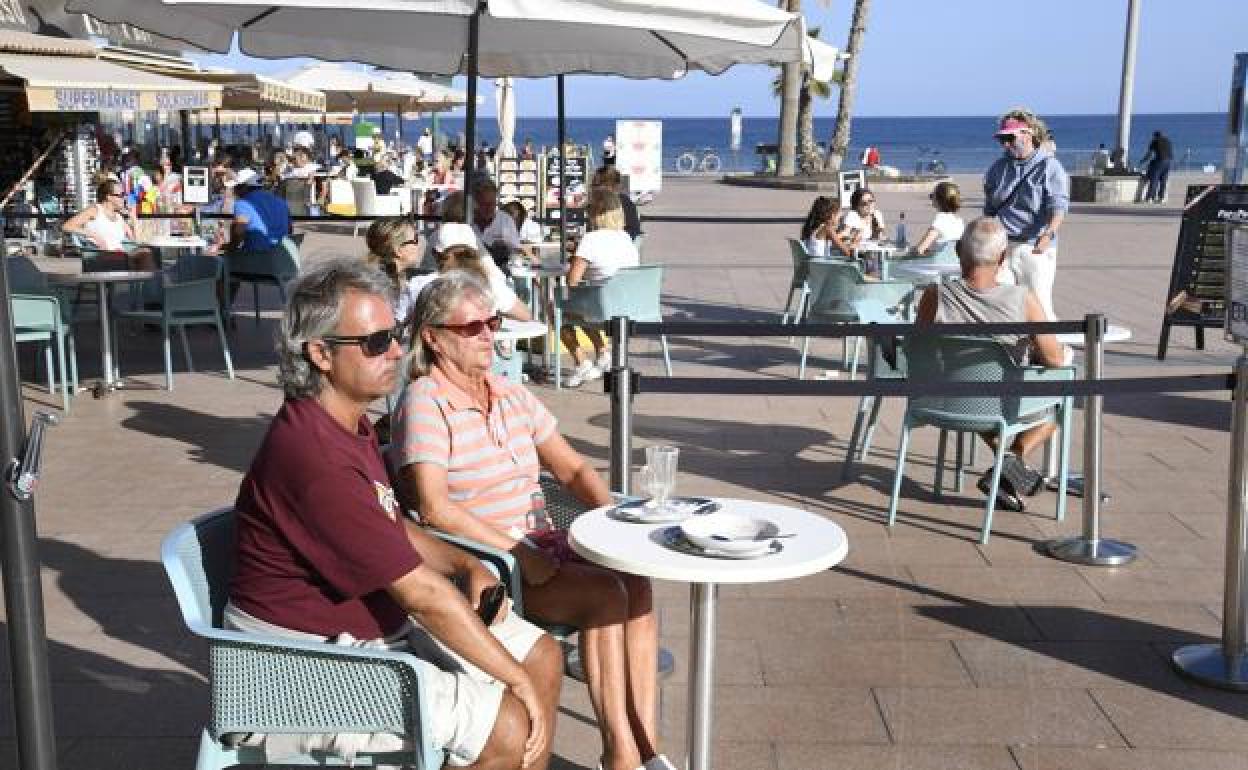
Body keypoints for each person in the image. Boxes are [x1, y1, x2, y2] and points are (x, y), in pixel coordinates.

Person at [228, 260, 561, 769]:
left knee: (543, 655)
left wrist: (464, 565)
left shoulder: (347, 421)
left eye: (395, 335)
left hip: (369, 634)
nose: (398, 351)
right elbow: (421, 595)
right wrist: (511, 677)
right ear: (319, 354)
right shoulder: (313, 457)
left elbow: (386, 523)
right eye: (375, 341)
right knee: (508, 720)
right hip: (298, 668)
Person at [390, 271, 674, 770]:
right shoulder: (426, 403)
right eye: (471, 327)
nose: (488, 335)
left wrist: (610, 520)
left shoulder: (508, 392)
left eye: (492, 322)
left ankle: (647, 747)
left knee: (637, 584)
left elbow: (572, 467)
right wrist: (521, 553)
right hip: (493, 566)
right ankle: (621, 755)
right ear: (433, 337)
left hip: (543, 544)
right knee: (607, 596)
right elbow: (434, 507)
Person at [915, 217, 1071, 513]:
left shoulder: (935, 295)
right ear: (1002, 258)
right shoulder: (1022, 299)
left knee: (974, 389)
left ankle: (1005, 465)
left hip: (949, 397)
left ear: (960, 251)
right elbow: (1055, 359)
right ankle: (1011, 460)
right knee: (1057, 404)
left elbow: (919, 348)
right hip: (1002, 402)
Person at [983, 109, 1069, 322]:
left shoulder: (1050, 166)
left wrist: (1049, 234)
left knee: (1039, 307)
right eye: (1001, 139)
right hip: (1003, 246)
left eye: (1010, 138)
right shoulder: (999, 167)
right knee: (1001, 305)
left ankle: (1049, 353)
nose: (1005, 144)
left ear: (1028, 134)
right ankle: (1013, 352)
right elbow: (990, 206)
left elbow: (1058, 205)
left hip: (1034, 247)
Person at [561, 191, 640, 387]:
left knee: (557, 308)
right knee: (586, 303)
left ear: (596, 213)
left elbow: (572, 281)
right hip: (628, 306)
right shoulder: (626, 238)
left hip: (601, 309)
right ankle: (603, 352)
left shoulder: (590, 239)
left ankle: (582, 363)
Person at [432, 222, 532, 322]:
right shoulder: (490, 285)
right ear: (477, 253)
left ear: (436, 254)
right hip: (478, 336)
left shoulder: (425, 283)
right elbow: (525, 315)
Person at [62, 179, 155, 269]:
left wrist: (134, 218)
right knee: (144, 257)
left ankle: (148, 282)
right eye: (121, 195)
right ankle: (148, 282)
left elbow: (135, 241)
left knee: (147, 253)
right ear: (109, 197)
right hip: (99, 255)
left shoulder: (119, 217)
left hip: (119, 254)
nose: (124, 198)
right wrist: (94, 235)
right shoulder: (95, 210)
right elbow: (67, 226)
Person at [363, 218, 432, 323]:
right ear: (398, 250)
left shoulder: (376, 275)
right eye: (415, 240)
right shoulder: (381, 286)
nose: (418, 245)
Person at [224, 168, 291, 255]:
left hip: (257, 258)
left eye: (235, 187)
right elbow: (289, 229)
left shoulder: (243, 203)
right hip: (283, 255)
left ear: (243, 187)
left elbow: (239, 231)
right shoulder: (280, 201)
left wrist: (230, 248)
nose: (234, 190)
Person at [471, 178, 522, 267]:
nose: (489, 208)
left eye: (492, 203)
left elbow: (516, 249)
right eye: (484, 204)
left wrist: (505, 247)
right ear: (475, 203)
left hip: (499, 270)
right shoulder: (467, 220)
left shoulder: (505, 220)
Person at [909, 181, 965, 257]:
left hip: (939, 266)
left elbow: (920, 249)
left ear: (939, 199)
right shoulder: (959, 221)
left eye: (932, 196)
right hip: (955, 263)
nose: (931, 198)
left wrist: (911, 251)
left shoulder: (940, 219)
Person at [590, 166, 641, 240]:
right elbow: (634, 230)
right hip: (620, 242)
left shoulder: (591, 201)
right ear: (617, 184)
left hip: (603, 242)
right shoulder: (624, 201)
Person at [1139, 129, 1173, 204]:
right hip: (1168, 162)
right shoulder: (1167, 141)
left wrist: (1142, 161)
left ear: (1155, 136)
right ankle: (1161, 198)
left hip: (1160, 161)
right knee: (1163, 181)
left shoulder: (1155, 141)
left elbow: (1149, 154)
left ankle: (1150, 198)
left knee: (1154, 180)